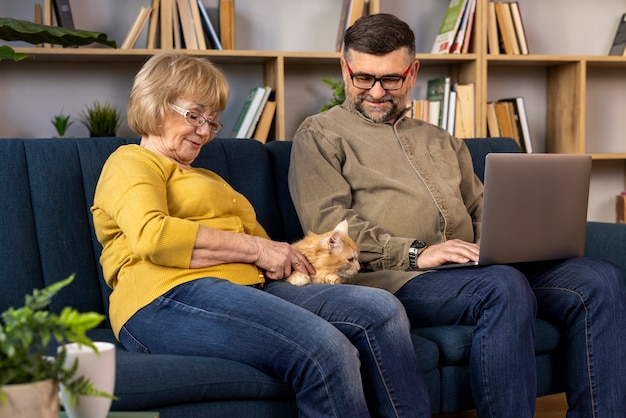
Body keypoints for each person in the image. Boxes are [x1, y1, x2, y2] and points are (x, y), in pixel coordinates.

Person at [288, 13, 626, 418]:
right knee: (503, 286)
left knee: (599, 278)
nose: (376, 92)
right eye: (364, 78)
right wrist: (418, 253)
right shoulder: (320, 135)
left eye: (390, 79)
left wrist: (505, 241)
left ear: (412, 73)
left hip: (473, 264)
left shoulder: (442, 139)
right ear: (346, 70)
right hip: (400, 277)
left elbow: (481, 208)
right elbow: (331, 223)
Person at [90, 51, 431, 418]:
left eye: (212, 121)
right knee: (325, 348)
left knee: (381, 309)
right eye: (194, 116)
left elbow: (270, 252)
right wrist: (255, 248)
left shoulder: (209, 179)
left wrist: (291, 258)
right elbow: (153, 236)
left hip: (250, 288)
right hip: (163, 295)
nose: (204, 131)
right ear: (154, 103)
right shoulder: (131, 161)